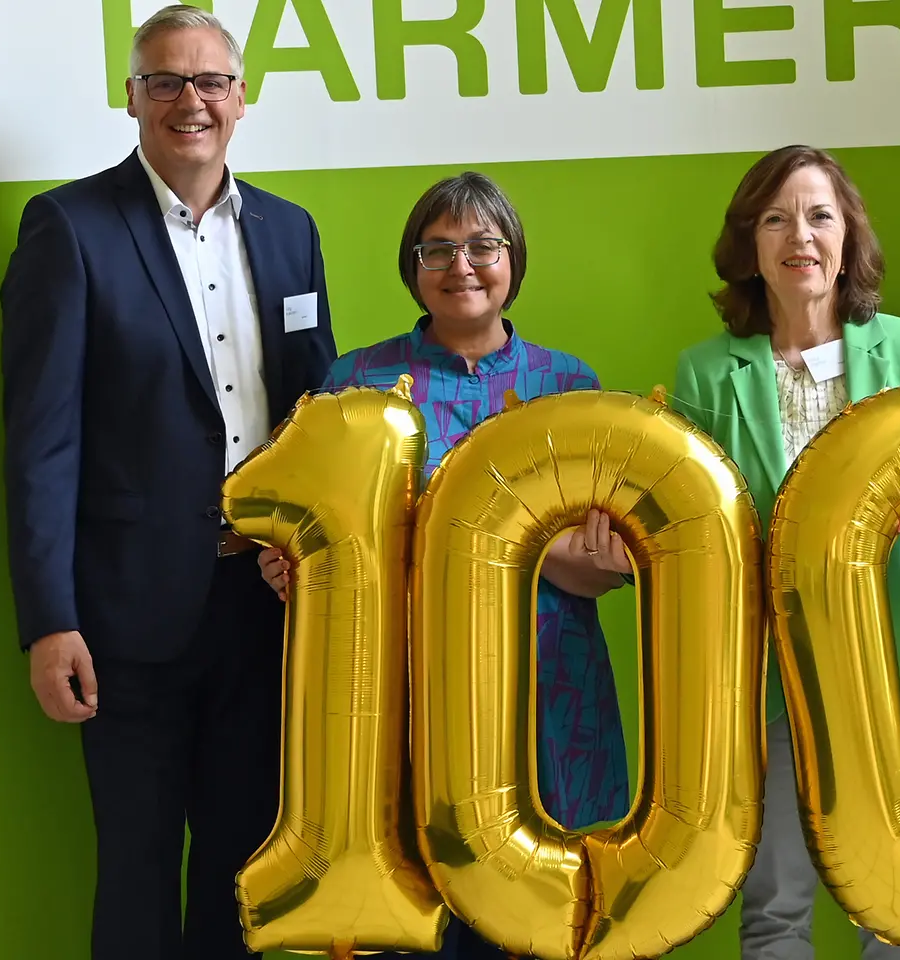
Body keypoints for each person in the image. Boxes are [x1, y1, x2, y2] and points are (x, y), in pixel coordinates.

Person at [0, 6, 338, 957]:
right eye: (166, 82)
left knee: (246, 868)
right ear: (133, 97)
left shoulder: (290, 231)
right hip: (125, 618)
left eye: (210, 82)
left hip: (266, 602)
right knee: (138, 872)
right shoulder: (69, 228)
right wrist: (49, 620)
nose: (191, 101)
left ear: (242, 98)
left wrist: (318, 558)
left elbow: (317, 415)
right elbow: (41, 443)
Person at [259, 171, 631, 959]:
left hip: (545, 687)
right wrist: (291, 565)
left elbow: (604, 567)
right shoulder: (355, 384)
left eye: (482, 246)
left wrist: (479, 537)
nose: (461, 266)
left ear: (513, 260)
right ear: (414, 266)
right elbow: (319, 538)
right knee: (411, 918)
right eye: (438, 250)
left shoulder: (570, 389)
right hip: (402, 692)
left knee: (542, 918)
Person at [672, 145, 900, 960]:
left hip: (895, 664)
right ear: (749, 245)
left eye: (819, 216)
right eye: (775, 219)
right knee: (774, 906)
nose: (799, 236)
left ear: (848, 239)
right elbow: (697, 533)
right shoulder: (704, 372)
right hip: (767, 671)